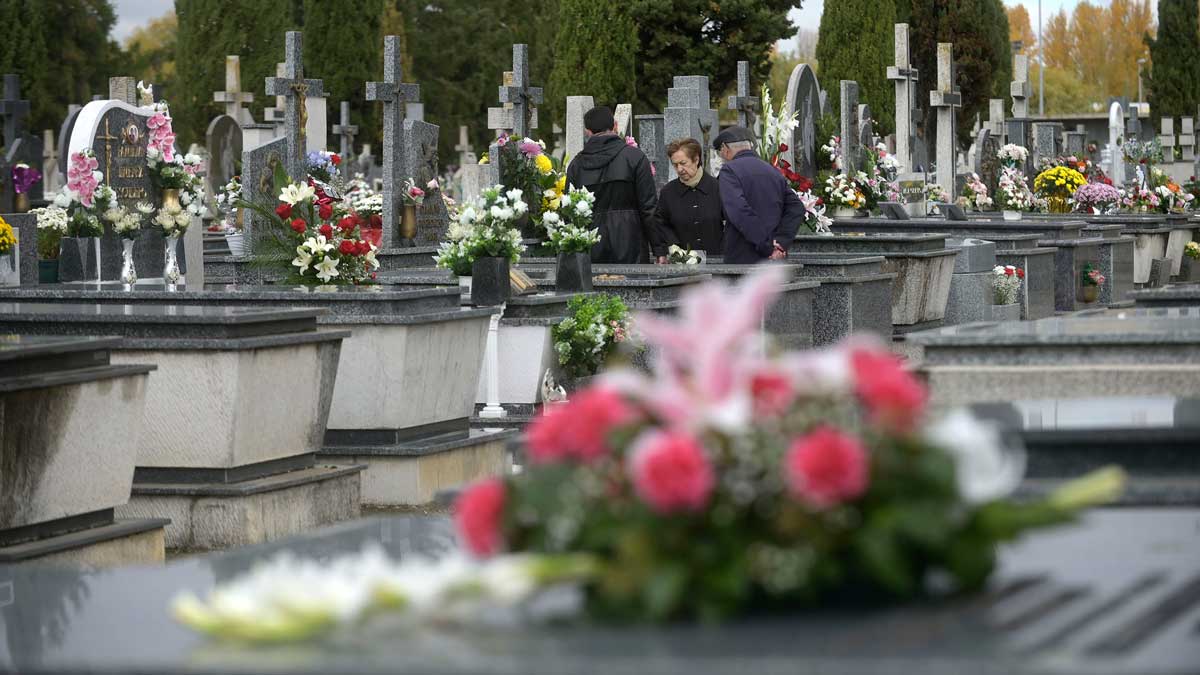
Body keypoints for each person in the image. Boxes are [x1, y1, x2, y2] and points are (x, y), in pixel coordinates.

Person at [566, 106, 658, 263]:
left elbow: (569, 211)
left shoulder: (576, 165)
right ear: (615, 125)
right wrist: (659, 248)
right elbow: (649, 207)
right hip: (630, 242)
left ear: (587, 131)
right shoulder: (635, 157)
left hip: (590, 246)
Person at [712, 126, 806, 264]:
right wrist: (780, 243)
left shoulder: (730, 170)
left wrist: (766, 246)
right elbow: (796, 207)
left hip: (744, 257)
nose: (721, 157)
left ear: (725, 148)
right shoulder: (771, 170)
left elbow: (739, 211)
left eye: (720, 152)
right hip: (775, 260)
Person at [650, 138, 724, 264]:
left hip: (717, 262)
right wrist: (672, 246)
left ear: (696, 159)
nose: (679, 169)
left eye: (683, 163)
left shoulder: (718, 188)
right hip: (682, 266)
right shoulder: (668, 192)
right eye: (675, 164)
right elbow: (661, 224)